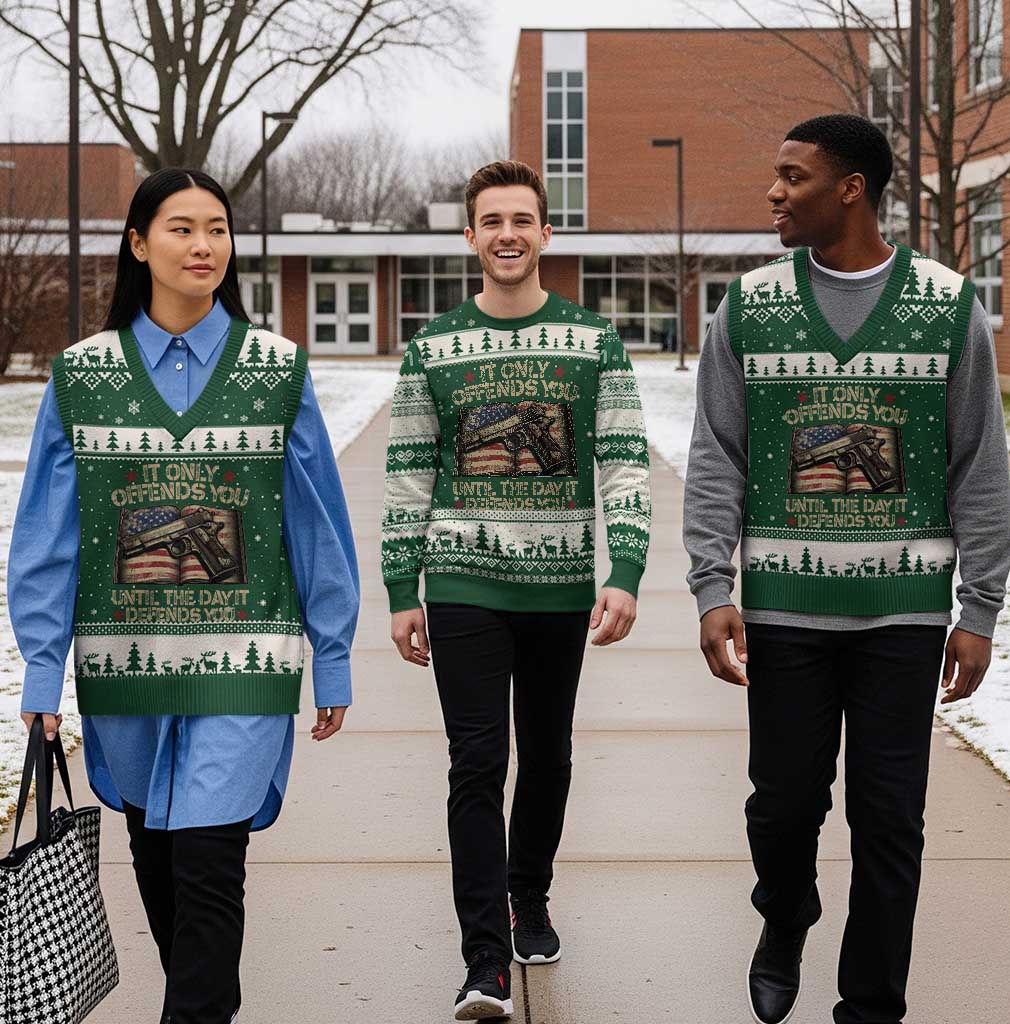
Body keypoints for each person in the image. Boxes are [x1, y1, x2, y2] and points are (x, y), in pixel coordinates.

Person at [684, 113, 1010, 1024]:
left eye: (793, 176)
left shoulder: (947, 305)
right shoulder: (749, 305)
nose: (774, 192)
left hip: (904, 617)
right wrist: (713, 586)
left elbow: (977, 463)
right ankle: (784, 914)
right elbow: (718, 453)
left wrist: (980, 608)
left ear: (851, 189)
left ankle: (871, 1005)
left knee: (889, 823)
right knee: (782, 810)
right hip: (786, 612)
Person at [11, 168, 359, 1024]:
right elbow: (47, 538)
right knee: (159, 860)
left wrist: (334, 654)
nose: (203, 246)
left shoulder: (277, 371)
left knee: (210, 863)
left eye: (216, 229)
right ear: (138, 244)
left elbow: (315, 522)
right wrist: (42, 675)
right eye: (180, 229)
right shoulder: (82, 376)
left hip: (244, 664)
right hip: (123, 667)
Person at [381, 160, 652, 1021]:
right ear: (469, 236)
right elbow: (407, 474)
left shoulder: (593, 341)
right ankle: (484, 961)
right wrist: (401, 586)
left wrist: (627, 569)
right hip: (463, 579)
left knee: (549, 753)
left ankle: (527, 895)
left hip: (561, 587)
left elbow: (623, 460)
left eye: (522, 220)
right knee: (477, 761)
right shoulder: (433, 348)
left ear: (546, 233)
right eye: (491, 220)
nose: (507, 234)